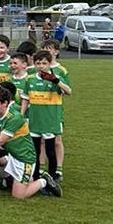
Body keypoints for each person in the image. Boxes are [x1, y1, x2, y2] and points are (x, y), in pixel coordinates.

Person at [24, 50, 70, 181]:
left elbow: (68, 91)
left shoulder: (55, 78)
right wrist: (22, 116)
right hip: (35, 120)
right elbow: (25, 99)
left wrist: (56, 81)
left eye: (44, 63)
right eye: (38, 63)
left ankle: (52, 176)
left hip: (49, 120)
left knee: (50, 150)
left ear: (50, 64)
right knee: (35, 150)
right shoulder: (30, 79)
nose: (41, 66)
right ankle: (36, 174)